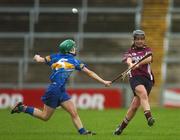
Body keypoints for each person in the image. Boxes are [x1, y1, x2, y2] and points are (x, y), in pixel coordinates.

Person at [11, 39, 111, 135]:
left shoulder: (54, 57)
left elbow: (39, 59)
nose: (74, 49)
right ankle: (22, 108)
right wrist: (103, 81)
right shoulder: (73, 61)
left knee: (73, 112)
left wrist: (36, 56)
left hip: (61, 90)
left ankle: (83, 132)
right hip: (54, 90)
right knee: (45, 116)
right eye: (73, 48)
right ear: (68, 50)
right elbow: (89, 73)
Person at [113, 30, 155, 135]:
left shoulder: (147, 49)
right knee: (143, 93)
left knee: (134, 106)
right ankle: (149, 117)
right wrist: (131, 64)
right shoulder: (130, 51)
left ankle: (120, 128)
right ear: (134, 40)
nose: (140, 41)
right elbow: (128, 59)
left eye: (142, 39)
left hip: (148, 79)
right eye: (137, 39)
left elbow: (149, 58)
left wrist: (138, 64)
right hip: (135, 78)